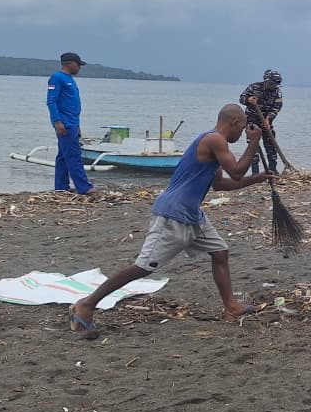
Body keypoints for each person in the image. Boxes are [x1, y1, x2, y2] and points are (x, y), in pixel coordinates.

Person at [68, 104, 275, 339]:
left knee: (220, 253)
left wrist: (256, 179)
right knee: (143, 267)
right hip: (172, 214)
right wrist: (254, 142)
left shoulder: (214, 145)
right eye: (242, 128)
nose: (242, 134)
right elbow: (236, 171)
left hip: (192, 214)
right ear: (235, 123)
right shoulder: (214, 140)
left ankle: (231, 306)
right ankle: (86, 304)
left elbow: (220, 185)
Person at [47, 51, 95, 196]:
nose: (79, 67)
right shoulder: (57, 78)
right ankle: (84, 187)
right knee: (74, 155)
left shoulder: (70, 79)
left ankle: (61, 187)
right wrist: (57, 121)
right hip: (65, 124)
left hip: (73, 123)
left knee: (63, 156)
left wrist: (78, 125)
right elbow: (51, 101)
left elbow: (72, 104)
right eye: (78, 65)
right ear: (71, 64)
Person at [240, 69, 284, 174]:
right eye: (272, 83)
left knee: (271, 146)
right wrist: (248, 100)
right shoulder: (253, 87)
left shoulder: (277, 92)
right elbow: (241, 98)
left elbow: (277, 107)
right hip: (251, 122)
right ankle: (255, 174)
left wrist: (268, 119)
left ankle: (272, 171)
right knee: (253, 148)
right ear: (266, 81)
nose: (274, 86)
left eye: (276, 84)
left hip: (266, 122)